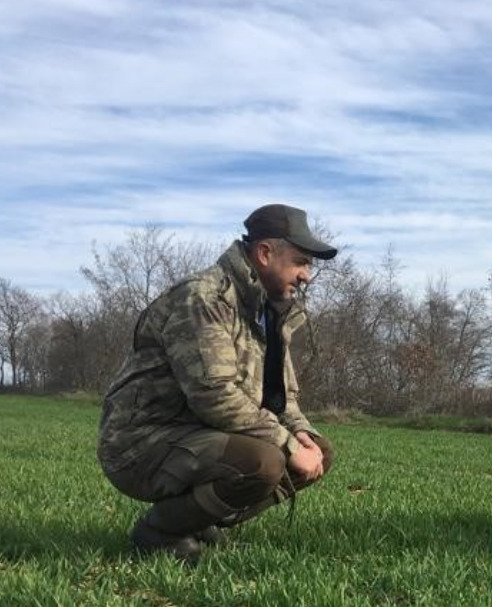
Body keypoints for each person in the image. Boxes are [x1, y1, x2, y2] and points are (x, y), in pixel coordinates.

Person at [98, 203, 338, 562]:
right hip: (140, 442)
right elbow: (214, 395)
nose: (307, 275)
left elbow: (283, 397)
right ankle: (160, 531)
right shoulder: (204, 298)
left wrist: (301, 436)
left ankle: (196, 518)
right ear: (265, 253)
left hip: (196, 437)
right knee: (265, 461)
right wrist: (288, 445)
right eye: (301, 262)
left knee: (319, 451)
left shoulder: (270, 312)